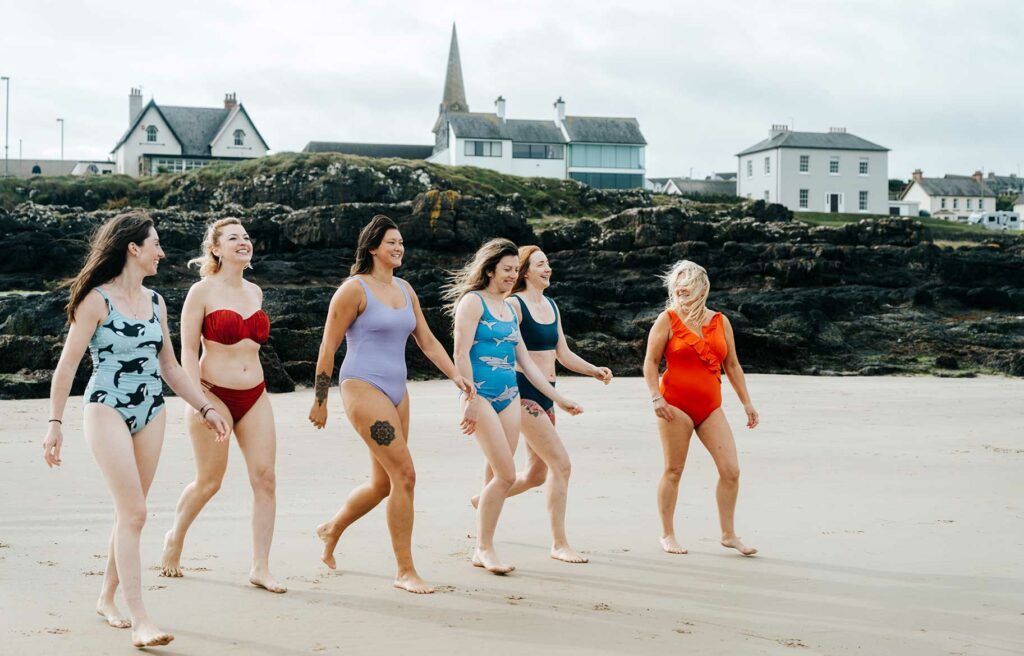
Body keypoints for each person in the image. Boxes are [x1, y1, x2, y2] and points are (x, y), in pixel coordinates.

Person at [42, 211, 228, 649]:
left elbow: (170, 367)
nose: (162, 253)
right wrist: (54, 424)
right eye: (156, 244)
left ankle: (107, 597)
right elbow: (67, 366)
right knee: (136, 513)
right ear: (133, 248)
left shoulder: (157, 302)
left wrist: (205, 407)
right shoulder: (95, 300)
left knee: (131, 512)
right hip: (107, 405)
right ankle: (140, 617)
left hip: (151, 410)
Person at [308, 214, 474, 594]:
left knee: (383, 483)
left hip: (399, 392)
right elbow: (328, 345)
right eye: (391, 243)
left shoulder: (405, 289)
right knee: (406, 475)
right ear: (372, 248)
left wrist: (456, 376)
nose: (399, 248)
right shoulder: (353, 290)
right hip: (362, 388)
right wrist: (321, 400)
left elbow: (428, 341)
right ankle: (405, 571)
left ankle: (331, 528)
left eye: (401, 243)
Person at [160, 218, 285, 593]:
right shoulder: (201, 292)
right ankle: (174, 538)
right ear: (215, 248)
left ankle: (260, 567)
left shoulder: (255, 291)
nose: (243, 242)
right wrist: (200, 404)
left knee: (265, 479)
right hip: (211, 393)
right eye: (233, 238)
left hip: (255, 393)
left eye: (246, 236)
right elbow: (186, 352)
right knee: (210, 482)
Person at [446, 238, 583, 575]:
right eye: (506, 269)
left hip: (509, 397)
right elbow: (460, 354)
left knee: (498, 476)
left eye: (514, 270)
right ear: (490, 269)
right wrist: (469, 400)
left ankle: (483, 546)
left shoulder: (508, 308)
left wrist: (561, 399)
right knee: (507, 473)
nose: (511, 275)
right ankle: (484, 548)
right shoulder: (472, 302)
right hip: (481, 396)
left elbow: (527, 362)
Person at [469, 246, 612, 563]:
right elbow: (513, 353)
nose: (548, 268)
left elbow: (562, 353)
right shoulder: (514, 306)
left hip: (548, 392)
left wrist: (593, 370)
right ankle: (559, 543)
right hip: (522, 394)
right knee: (562, 464)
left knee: (535, 474)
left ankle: (485, 499)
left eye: (548, 263)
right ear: (524, 271)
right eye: (541, 264)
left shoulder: (551, 306)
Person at [642, 260, 759, 557]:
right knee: (673, 470)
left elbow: (731, 364)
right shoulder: (667, 319)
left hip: (710, 407)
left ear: (701, 287)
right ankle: (667, 534)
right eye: (678, 281)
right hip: (674, 406)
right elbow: (651, 362)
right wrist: (656, 397)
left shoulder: (721, 321)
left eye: (688, 281)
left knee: (731, 470)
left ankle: (728, 534)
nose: (681, 287)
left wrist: (747, 402)